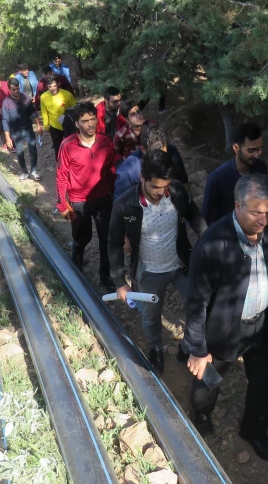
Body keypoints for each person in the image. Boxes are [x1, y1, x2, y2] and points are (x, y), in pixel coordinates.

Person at [184, 174, 268, 460]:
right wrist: (197, 349)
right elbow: (196, 302)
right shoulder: (212, 244)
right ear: (237, 206)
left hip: (263, 326)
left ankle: (254, 431)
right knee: (208, 382)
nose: (263, 220)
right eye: (256, 212)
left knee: (264, 381)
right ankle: (203, 414)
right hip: (223, 331)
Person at [109, 150, 206, 372]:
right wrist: (119, 282)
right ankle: (155, 348)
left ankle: (188, 345)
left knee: (199, 305)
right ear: (142, 178)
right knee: (151, 316)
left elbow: (195, 217)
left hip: (181, 265)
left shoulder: (177, 191)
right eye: (155, 187)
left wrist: (208, 239)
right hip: (150, 272)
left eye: (166, 186)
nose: (162, 192)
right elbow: (114, 243)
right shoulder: (125, 206)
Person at [55, 101, 117, 289]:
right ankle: (77, 256)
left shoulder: (106, 142)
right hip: (78, 201)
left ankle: (105, 276)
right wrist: (62, 205)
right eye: (85, 121)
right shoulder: (67, 146)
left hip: (103, 198)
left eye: (93, 119)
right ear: (76, 124)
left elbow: (111, 170)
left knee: (106, 239)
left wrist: (114, 195)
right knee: (82, 237)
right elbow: (61, 176)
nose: (90, 124)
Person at [202, 122, 268, 226]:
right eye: (251, 150)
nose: (256, 155)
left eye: (259, 150)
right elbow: (207, 217)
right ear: (236, 148)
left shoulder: (261, 168)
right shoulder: (217, 178)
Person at [114, 125, 189, 200]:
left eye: (163, 153)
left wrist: (188, 201)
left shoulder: (172, 152)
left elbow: (183, 181)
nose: (160, 158)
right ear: (143, 149)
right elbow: (121, 206)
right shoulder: (128, 173)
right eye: (155, 155)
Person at [2, 78, 43, 181]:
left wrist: (38, 125)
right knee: (20, 152)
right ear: (9, 90)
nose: (16, 91)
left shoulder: (25, 97)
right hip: (16, 131)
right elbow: (5, 120)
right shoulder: (6, 102)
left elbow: (33, 112)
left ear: (19, 87)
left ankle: (33, 170)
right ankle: (24, 172)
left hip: (28, 128)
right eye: (13, 89)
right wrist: (7, 138)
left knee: (33, 150)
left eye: (17, 88)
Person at [40, 76, 77, 160]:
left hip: (68, 124)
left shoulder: (66, 94)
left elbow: (75, 107)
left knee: (71, 145)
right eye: (50, 86)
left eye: (54, 86)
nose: (52, 88)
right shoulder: (44, 97)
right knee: (58, 147)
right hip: (55, 125)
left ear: (58, 84)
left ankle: (73, 161)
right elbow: (44, 112)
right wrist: (46, 125)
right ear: (47, 86)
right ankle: (60, 165)